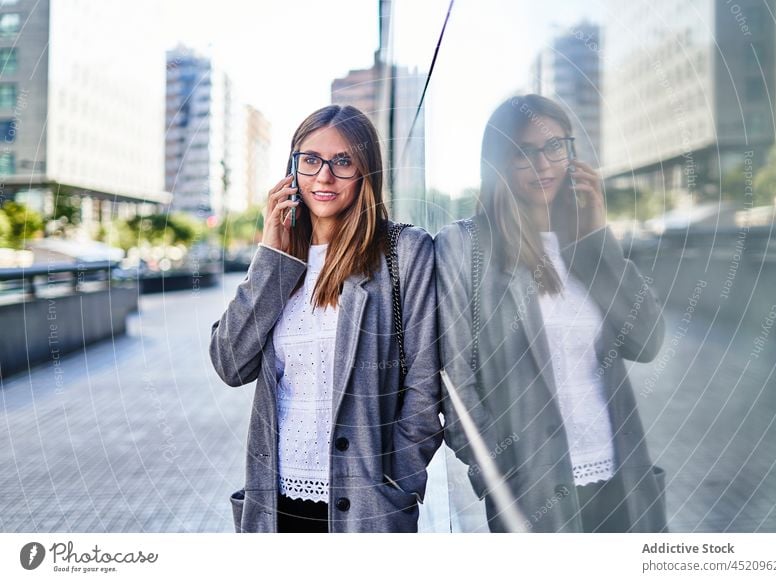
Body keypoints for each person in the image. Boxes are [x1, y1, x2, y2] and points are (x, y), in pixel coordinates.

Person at [435, 94, 667, 532]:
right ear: (499, 161)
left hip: (620, 478)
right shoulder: (466, 246)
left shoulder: (584, 244)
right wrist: (501, 469)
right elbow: (455, 379)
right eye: (524, 152)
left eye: (555, 147)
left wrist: (598, 233)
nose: (543, 164)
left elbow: (647, 341)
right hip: (534, 488)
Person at [210, 105, 442, 533]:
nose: (323, 176)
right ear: (291, 169)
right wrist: (271, 255)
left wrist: (398, 486)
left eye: (343, 161)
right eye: (310, 160)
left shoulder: (405, 252)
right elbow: (229, 363)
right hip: (276, 505)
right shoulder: (281, 262)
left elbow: (425, 389)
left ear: (366, 171)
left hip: (367, 506)